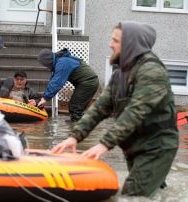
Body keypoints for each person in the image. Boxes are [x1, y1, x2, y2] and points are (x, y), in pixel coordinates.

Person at [52, 21, 179, 197]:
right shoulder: (120, 73)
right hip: (134, 145)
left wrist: (104, 144)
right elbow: (100, 108)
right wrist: (75, 137)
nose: (110, 44)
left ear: (131, 44)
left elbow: (135, 112)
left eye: (115, 40)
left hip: (156, 147)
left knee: (132, 195)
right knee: (155, 192)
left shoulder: (151, 72)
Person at [36, 48, 99, 121]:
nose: (45, 67)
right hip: (87, 82)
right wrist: (43, 98)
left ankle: (79, 127)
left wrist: (45, 98)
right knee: (76, 107)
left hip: (89, 82)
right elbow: (52, 82)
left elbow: (57, 83)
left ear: (47, 61)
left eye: (44, 65)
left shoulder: (62, 63)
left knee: (75, 107)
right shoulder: (59, 62)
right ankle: (78, 123)